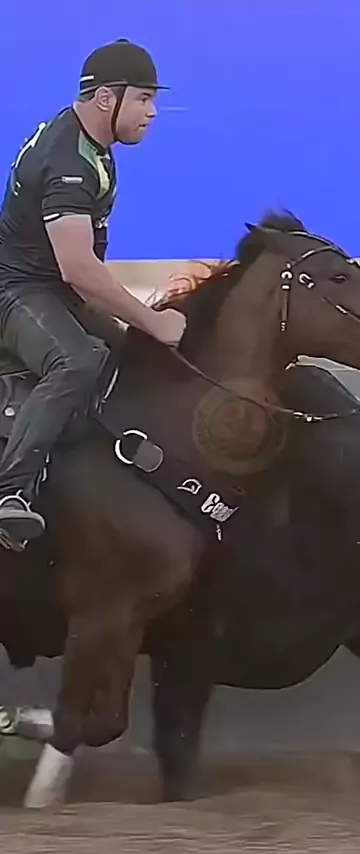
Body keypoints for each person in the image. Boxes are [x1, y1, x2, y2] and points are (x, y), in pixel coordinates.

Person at [0, 38, 186, 550]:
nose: (152, 112)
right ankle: (11, 492)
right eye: (144, 98)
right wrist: (152, 320)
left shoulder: (88, 142)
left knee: (127, 353)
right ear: (107, 98)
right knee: (77, 361)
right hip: (15, 291)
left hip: (48, 286)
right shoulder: (70, 164)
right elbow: (79, 269)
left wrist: (133, 323)